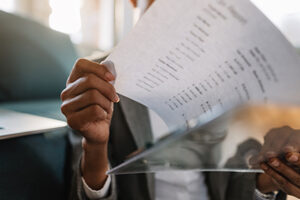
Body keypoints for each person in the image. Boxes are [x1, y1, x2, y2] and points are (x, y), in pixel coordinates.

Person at [61, 1, 300, 199]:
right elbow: (81, 192)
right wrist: (95, 147)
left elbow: (235, 186)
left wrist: (270, 179)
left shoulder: (229, 73)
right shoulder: (95, 79)